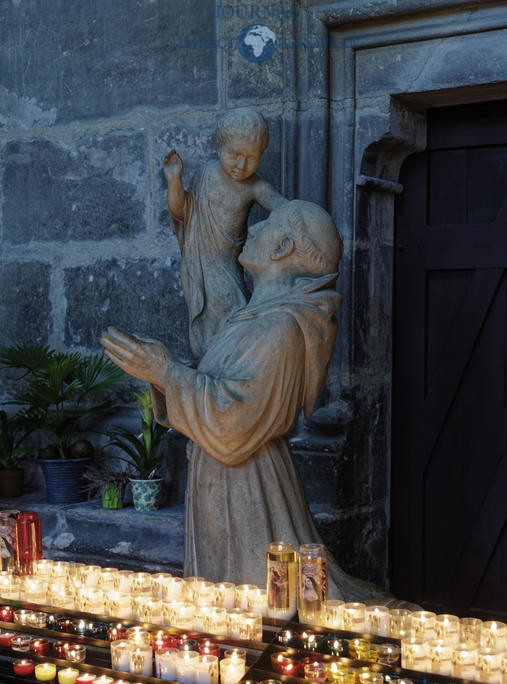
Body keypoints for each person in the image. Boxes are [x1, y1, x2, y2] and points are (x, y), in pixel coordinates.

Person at [101, 200, 394, 602]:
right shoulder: (256, 319)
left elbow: (236, 422)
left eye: (266, 226)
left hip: (245, 483)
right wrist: (164, 370)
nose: (252, 230)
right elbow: (221, 387)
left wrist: (165, 372)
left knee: (259, 603)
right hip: (223, 477)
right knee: (226, 605)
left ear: (281, 248)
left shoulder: (279, 328)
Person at [164, 107, 284, 360]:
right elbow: (182, 212)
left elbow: (285, 209)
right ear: (219, 146)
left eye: (251, 158)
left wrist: (309, 221)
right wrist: (175, 181)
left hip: (227, 268)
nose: (241, 165)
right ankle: (209, 377)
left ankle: (226, 374)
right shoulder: (206, 173)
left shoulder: (255, 186)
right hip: (197, 266)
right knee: (205, 331)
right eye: (235, 155)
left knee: (236, 322)